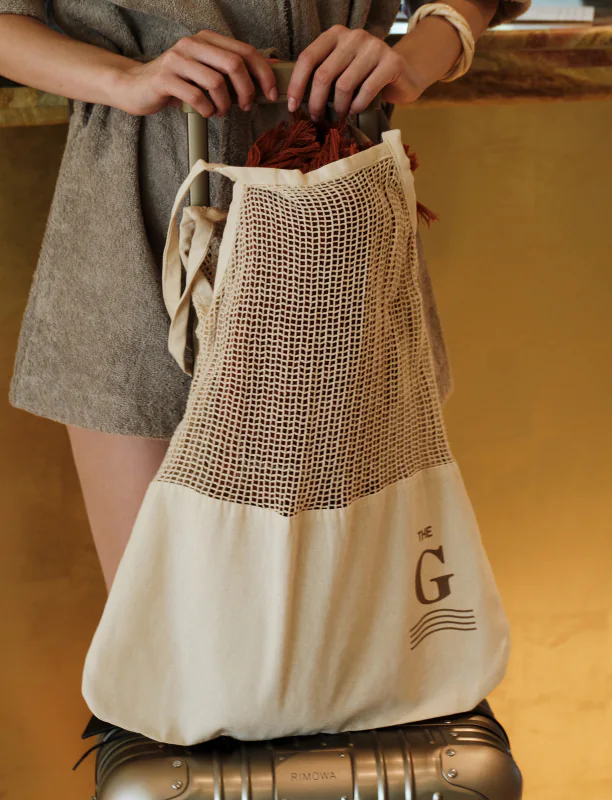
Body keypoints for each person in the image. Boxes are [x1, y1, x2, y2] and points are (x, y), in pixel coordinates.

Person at [0, 0, 527, 594]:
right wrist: (124, 77)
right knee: (170, 627)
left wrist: (413, 57)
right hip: (138, 223)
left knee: (352, 613)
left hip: (335, 214)